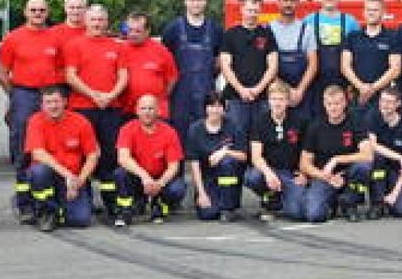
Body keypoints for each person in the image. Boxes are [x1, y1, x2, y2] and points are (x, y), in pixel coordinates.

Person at [0, 0, 61, 223]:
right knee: (23, 147)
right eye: (33, 10)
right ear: (25, 12)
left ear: (48, 12)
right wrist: (14, 96)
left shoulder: (56, 37)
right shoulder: (13, 38)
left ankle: (49, 197)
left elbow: (63, 68)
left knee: (53, 144)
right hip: (24, 94)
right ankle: (24, 201)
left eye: (42, 10)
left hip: (51, 94)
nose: (37, 13)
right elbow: (3, 72)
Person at [62, 4, 128, 218]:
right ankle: (84, 200)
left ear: (106, 22)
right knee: (84, 156)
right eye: (93, 20)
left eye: (101, 20)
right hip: (83, 109)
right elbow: (71, 76)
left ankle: (111, 203)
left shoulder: (118, 46)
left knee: (109, 157)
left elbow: (123, 76)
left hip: (111, 109)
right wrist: (94, 95)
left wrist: (110, 96)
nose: (97, 24)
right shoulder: (74, 45)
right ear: (85, 21)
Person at [25, 85, 100, 232]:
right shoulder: (35, 121)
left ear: (65, 102)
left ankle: (60, 208)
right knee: (39, 171)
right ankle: (45, 212)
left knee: (81, 220)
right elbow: (38, 154)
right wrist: (67, 175)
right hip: (50, 177)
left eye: (56, 101)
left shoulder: (80, 121)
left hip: (73, 180)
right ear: (42, 105)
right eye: (48, 102)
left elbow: (92, 155)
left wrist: (79, 181)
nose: (53, 106)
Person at [299, 85, 374, 223]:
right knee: (314, 215)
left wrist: (336, 159)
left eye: (338, 103)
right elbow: (304, 164)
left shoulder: (356, 121)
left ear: (345, 102)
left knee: (363, 167)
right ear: (324, 104)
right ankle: (333, 201)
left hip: (348, 175)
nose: (333, 108)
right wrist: (326, 176)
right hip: (324, 175)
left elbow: (368, 155)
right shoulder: (315, 126)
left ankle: (350, 202)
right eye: (329, 104)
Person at [162, 0, 224, 145]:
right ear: (185, 3)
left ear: (205, 3)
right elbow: (164, 59)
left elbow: (220, 59)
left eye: (199, 0)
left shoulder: (216, 29)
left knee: (207, 135)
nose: (195, 4)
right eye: (192, 0)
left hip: (206, 91)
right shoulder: (173, 29)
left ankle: (205, 169)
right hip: (180, 93)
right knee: (178, 136)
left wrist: (211, 76)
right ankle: (178, 169)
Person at [114, 94, 187, 227]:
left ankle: (159, 205)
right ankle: (125, 210)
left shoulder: (169, 132)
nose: (147, 112)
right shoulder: (127, 129)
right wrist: (144, 177)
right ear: (136, 111)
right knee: (120, 174)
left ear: (159, 111)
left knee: (178, 188)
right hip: (138, 178)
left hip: (160, 178)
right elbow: (123, 158)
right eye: (143, 108)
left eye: (150, 108)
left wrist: (160, 183)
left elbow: (173, 166)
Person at [348, 87, 402, 220]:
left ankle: (389, 199)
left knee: (401, 209)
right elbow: (372, 146)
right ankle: (376, 204)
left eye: (390, 102)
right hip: (380, 166)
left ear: (398, 104)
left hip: (397, 172)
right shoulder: (372, 117)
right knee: (376, 158)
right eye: (382, 100)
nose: (385, 105)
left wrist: (395, 194)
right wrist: (398, 156)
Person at [245, 81, 308, 221]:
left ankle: (282, 198)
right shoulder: (259, 121)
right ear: (268, 100)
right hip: (269, 170)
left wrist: (304, 174)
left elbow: (307, 151)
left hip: (291, 173)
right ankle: (271, 199)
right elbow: (256, 157)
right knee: (252, 177)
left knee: (297, 213)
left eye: (281, 99)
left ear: (288, 101)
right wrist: (268, 174)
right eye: (273, 99)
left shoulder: (300, 121)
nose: (277, 103)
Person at [219, 0, 279, 138]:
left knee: (262, 137)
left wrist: (258, 89)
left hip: (263, 97)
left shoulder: (268, 35)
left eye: (255, 11)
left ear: (260, 12)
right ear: (242, 10)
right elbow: (225, 66)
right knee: (236, 138)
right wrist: (241, 89)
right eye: (249, 10)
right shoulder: (230, 35)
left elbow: (273, 66)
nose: (252, 14)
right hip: (236, 98)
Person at [186, 93, 249, 222]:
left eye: (219, 106)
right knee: (207, 214)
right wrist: (202, 194)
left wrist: (225, 152)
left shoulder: (233, 126)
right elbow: (194, 164)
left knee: (227, 162)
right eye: (211, 106)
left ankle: (228, 207)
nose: (215, 110)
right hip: (207, 178)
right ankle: (217, 204)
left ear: (224, 108)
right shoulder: (195, 129)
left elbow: (243, 156)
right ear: (205, 108)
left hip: (229, 175)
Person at [342, 0, 402, 121]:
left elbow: (395, 69)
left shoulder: (392, 36)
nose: (371, 13)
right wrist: (361, 87)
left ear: (383, 13)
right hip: (357, 96)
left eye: (375, 10)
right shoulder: (353, 36)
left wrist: (372, 88)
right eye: (369, 10)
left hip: (383, 98)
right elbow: (345, 66)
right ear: (364, 12)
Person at [302, 0, 360, 102]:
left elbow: (357, 55)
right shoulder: (308, 21)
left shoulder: (351, 22)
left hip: (343, 81)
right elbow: (303, 53)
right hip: (316, 81)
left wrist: (352, 85)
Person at [269, 0, 318, 123]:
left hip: (302, 93)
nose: (288, 4)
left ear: (298, 3)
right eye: (285, 0)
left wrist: (299, 91)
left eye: (292, 1)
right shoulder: (268, 29)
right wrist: (285, 91)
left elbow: (313, 64)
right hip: (276, 92)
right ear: (278, 2)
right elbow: (267, 65)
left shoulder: (306, 29)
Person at [121, 12, 178, 121]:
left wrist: (160, 97)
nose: (133, 34)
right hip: (128, 111)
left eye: (138, 31)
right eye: (130, 30)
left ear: (147, 31)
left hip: (156, 111)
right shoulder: (120, 49)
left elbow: (172, 78)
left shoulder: (161, 50)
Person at [50, 0, 89, 81]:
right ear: (65, 8)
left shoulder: (94, 32)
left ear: (86, 8)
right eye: (72, 7)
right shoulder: (52, 33)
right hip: (60, 86)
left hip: (88, 84)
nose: (75, 11)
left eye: (79, 7)